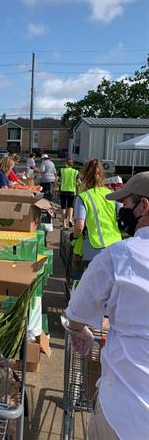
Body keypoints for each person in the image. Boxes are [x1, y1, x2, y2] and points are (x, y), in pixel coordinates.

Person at [64, 171, 149, 440]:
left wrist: (83, 333)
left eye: (125, 205)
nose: (121, 211)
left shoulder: (120, 256)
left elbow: (76, 315)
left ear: (143, 206)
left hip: (125, 409)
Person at [72, 158, 121, 266]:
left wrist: (74, 236)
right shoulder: (111, 194)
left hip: (95, 248)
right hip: (115, 245)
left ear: (85, 176)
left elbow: (79, 226)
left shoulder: (83, 197)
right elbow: (123, 214)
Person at [59, 158, 80, 228]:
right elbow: (79, 182)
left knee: (63, 207)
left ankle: (64, 224)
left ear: (66, 163)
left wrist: (58, 183)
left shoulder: (62, 170)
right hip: (72, 191)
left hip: (63, 191)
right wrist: (76, 185)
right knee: (71, 206)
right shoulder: (75, 172)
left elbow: (56, 179)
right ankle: (70, 220)